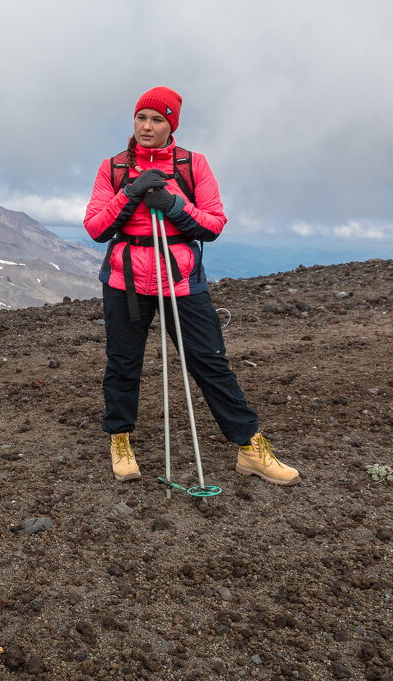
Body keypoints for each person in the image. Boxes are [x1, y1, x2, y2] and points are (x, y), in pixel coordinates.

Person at [83, 86, 299, 487]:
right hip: (125, 281)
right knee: (123, 364)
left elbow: (213, 224)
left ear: (171, 126)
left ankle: (250, 448)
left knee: (211, 363)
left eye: (157, 120)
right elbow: (96, 228)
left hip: (180, 280)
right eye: (141, 117)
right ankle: (120, 440)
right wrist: (130, 193)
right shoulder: (112, 168)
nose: (146, 126)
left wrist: (173, 205)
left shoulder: (192, 165)